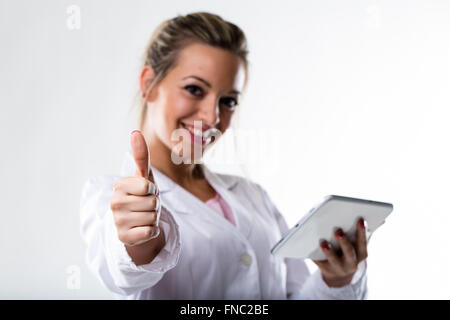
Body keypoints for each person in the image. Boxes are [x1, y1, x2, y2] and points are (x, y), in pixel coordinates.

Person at [80, 12, 369, 300]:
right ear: (148, 84)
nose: (212, 116)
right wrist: (143, 241)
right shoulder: (108, 197)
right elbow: (123, 273)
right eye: (194, 89)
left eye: (228, 101)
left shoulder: (253, 196)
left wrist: (337, 280)